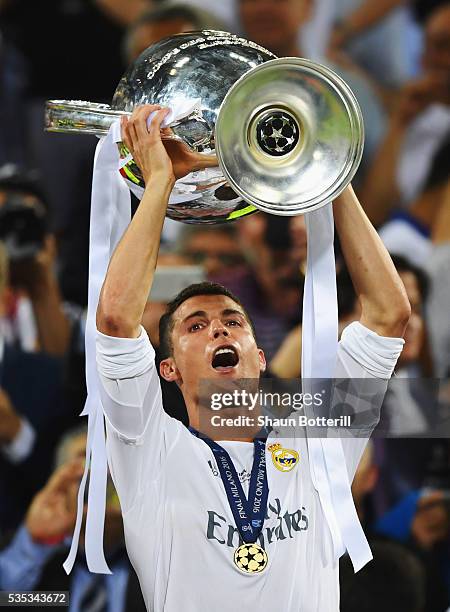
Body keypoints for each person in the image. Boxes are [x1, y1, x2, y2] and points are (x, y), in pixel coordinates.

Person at [92, 104, 409, 611]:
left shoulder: (319, 440)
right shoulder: (148, 445)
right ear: (167, 370)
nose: (218, 326)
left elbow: (388, 315)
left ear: (259, 358)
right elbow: (115, 322)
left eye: (233, 321)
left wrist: (331, 175)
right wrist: (159, 185)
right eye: (195, 327)